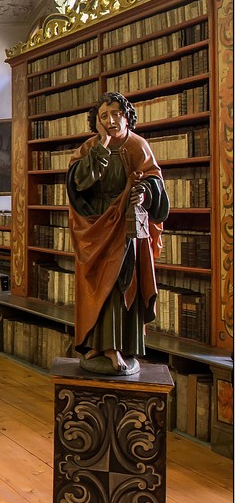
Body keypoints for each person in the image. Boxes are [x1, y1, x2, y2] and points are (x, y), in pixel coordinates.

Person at [67, 92, 169, 376]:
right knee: (95, 284)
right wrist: (103, 144)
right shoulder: (90, 146)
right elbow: (78, 182)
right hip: (96, 224)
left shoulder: (138, 145)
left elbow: (155, 182)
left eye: (115, 114)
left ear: (126, 116)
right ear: (96, 122)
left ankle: (116, 347)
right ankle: (96, 343)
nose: (111, 120)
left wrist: (143, 192)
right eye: (103, 116)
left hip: (124, 224)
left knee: (119, 284)